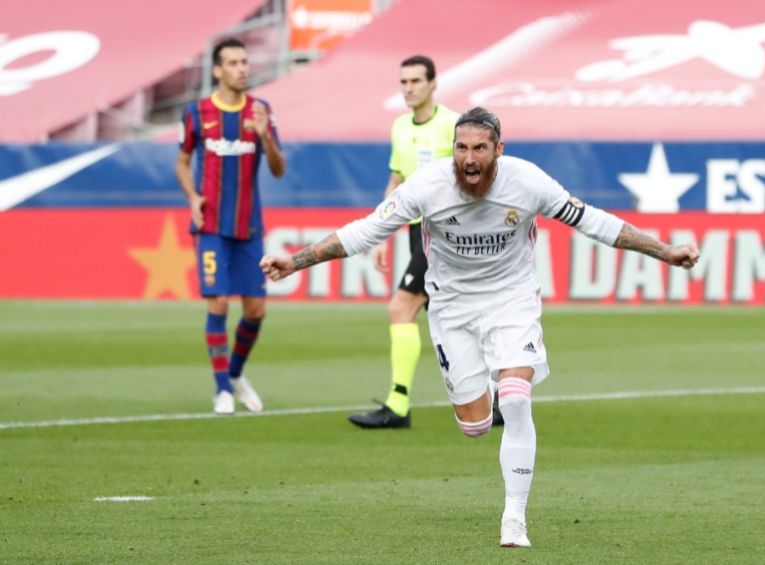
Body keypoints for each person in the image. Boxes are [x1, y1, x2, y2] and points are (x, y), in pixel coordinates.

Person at [261, 107, 700, 547]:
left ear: (499, 149)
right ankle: (490, 382)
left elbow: (594, 222)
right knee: (474, 425)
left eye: (479, 148)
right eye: (461, 148)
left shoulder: (528, 182)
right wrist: (296, 261)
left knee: (516, 398)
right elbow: (366, 231)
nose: (469, 159)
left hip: (511, 300)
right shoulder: (428, 185)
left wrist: (664, 251)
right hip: (451, 308)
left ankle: (514, 517)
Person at [348, 55, 464, 429]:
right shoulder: (400, 127)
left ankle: (397, 405)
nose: (409, 88)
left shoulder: (452, 124)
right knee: (451, 317)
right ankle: (492, 399)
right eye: (404, 82)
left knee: (401, 309)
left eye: (416, 81)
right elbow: (397, 180)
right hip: (417, 230)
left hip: (444, 231)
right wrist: (381, 232)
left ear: (433, 83)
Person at [176, 37, 285, 415]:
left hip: (249, 227)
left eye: (244, 61)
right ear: (218, 70)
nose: (242, 68)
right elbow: (182, 163)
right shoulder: (196, 113)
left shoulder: (260, 110)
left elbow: (278, 169)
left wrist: (265, 136)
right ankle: (222, 389)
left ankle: (235, 374)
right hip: (210, 226)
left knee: (256, 311)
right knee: (219, 301)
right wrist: (192, 197)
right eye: (234, 63)